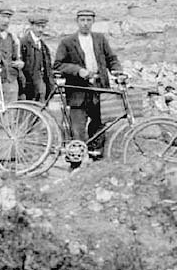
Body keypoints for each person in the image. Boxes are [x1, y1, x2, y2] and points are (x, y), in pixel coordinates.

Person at [52, 9, 121, 161]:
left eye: (89, 20)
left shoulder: (100, 39)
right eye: (82, 20)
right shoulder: (67, 42)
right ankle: (75, 163)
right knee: (77, 129)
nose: (85, 23)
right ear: (77, 22)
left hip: (99, 89)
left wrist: (117, 71)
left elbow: (111, 59)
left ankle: (95, 158)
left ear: (93, 22)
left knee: (100, 124)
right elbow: (58, 65)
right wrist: (78, 70)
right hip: (78, 91)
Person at [20, 14, 55, 102]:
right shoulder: (23, 43)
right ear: (31, 26)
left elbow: (48, 69)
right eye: (38, 26)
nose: (40, 30)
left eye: (42, 27)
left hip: (42, 87)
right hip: (29, 87)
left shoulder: (43, 46)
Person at [0, 7, 24, 103]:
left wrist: (20, 63)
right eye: (3, 17)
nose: (6, 21)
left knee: (11, 107)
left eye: (8, 18)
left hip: (11, 79)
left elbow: (17, 57)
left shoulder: (12, 38)